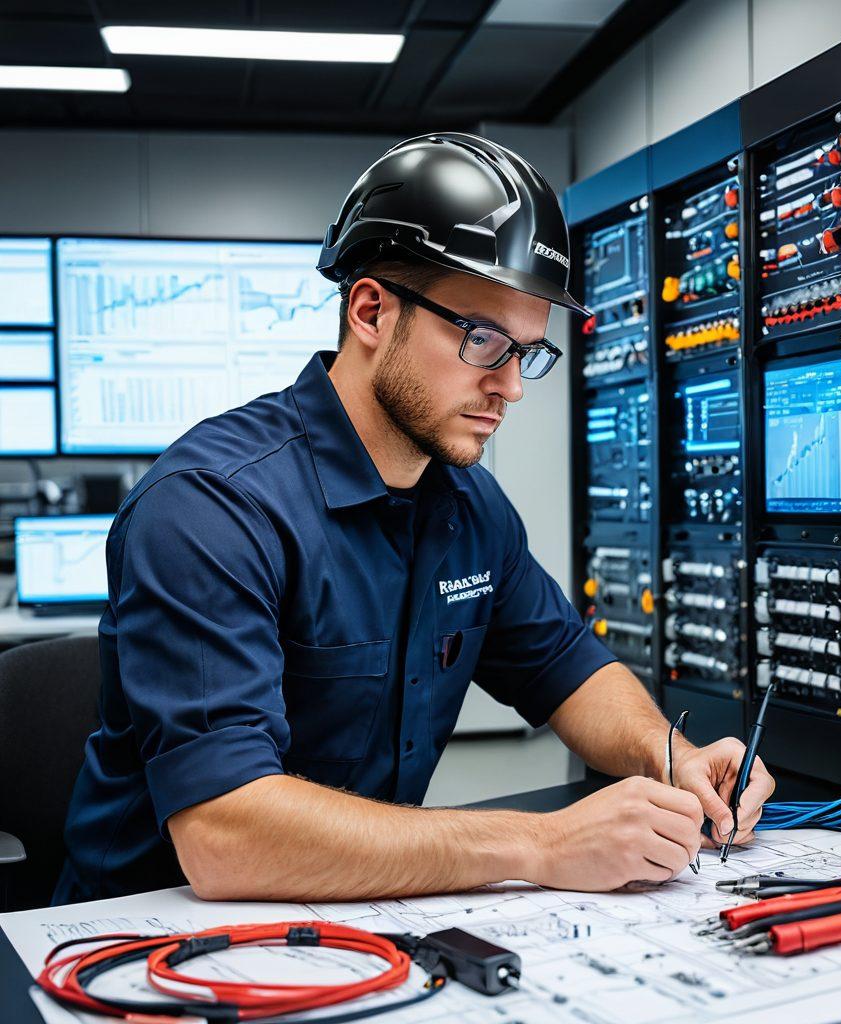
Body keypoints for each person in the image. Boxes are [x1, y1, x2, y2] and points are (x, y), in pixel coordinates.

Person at [55, 133, 773, 905]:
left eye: (526, 352)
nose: (511, 387)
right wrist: (544, 842)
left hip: (359, 917)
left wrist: (670, 754)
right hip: (141, 941)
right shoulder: (211, 508)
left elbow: (568, 669)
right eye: (483, 341)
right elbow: (226, 836)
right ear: (371, 310)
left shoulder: (467, 506)